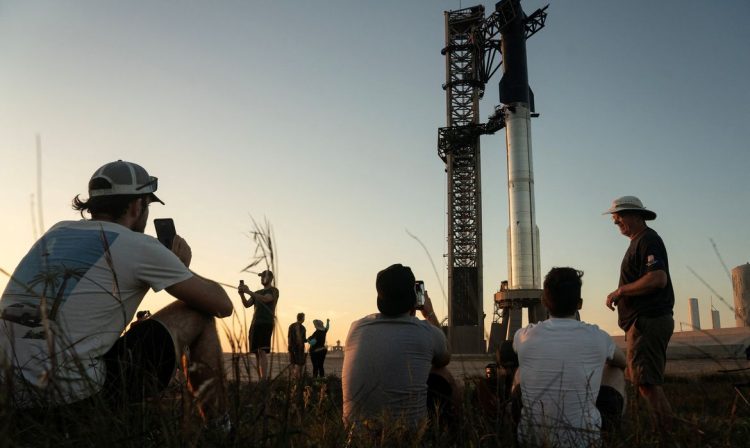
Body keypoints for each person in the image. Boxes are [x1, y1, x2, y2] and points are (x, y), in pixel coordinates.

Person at [0, 160, 233, 424]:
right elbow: (222, 305)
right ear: (137, 205)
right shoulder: (140, 245)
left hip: (8, 396)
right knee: (197, 312)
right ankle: (220, 426)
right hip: (70, 402)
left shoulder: (55, 233)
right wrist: (179, 267)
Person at [513, 267, 626, 447]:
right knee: (616, 371)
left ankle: (518, 421)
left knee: (521, 369)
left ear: (544, 302)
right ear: (579, 304)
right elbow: (622, 362)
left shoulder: (523, 336)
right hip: (586, 441)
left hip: (531, 441)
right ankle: (611, 433)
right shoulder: (598, 336)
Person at [342, 263, 457, 428]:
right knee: (443, 373)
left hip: (356, 437)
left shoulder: (356, 327)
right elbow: (445, 356)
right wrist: (428, 313)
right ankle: (455, 435)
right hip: (409, 437)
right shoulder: (426, 331)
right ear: (413, 297)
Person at [604, 195, 675, 430]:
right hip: (642, 322)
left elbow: (657, 278)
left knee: (647, 383)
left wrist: (621, 290)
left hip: (648, 321)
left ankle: (666, 435)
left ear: (636, 215)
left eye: (619, 217)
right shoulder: (637, 242)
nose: (616, 222)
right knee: (646, 382)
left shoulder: (648, 240)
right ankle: (664, 432)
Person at [239, 270, 279, 380]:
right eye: (261, 277)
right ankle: (260, 378)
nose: (261, 279)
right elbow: (247, 304)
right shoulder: (257, 292)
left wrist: (249, 291)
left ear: (270, 278)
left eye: (263, 277)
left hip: (266, 323)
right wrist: (242, 294)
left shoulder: (274, 290)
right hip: (255, 324)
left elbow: (266, 299)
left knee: (262, 351)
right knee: (256, 352)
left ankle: (264, 379)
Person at [287, 312, 307, 379]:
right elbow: (303, 339)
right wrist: (309, 340)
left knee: (292, 363)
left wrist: (289, 346)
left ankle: (293, 377)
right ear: (302, 318)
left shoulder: (291, 326)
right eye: (304, 318)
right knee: (299, 363)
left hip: (291, 347)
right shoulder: (303, 328)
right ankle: (297, 378)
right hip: (299, 348)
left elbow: (289, 337)